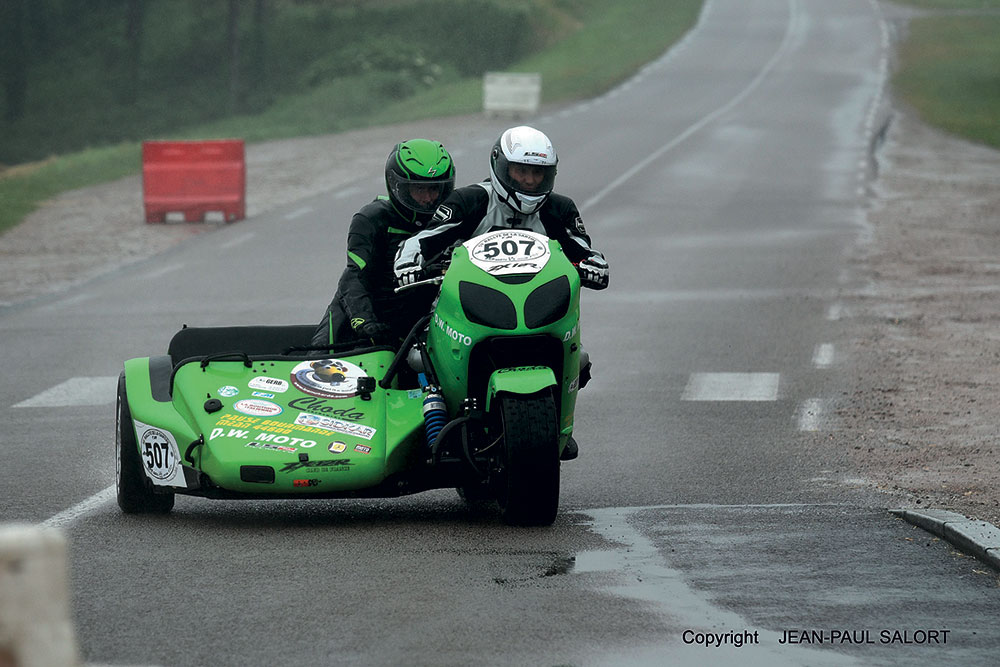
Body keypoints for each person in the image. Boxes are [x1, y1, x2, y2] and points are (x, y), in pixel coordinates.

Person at [393, 126, 609, 460]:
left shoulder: (559, 208)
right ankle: (430, 414)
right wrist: (408, 263)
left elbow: (583, 250)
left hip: (536, 308)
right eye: (520, 172)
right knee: (416, 357)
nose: (528, 182)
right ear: (500, 167)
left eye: (537, 174)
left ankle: (560, 426)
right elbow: (422, 240)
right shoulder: (470, 200)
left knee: (578, 359)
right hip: (470, 307)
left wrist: (594, 265)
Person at [309, 139, 455, 350]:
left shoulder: (453, 219)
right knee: (328, 349)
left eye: (434, 189)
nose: (428, 199)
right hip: (369, 325)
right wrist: (365, 323)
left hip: (423, 326)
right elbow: (354, 276)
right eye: (419, 189)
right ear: (398, 187)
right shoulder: (372, 219)